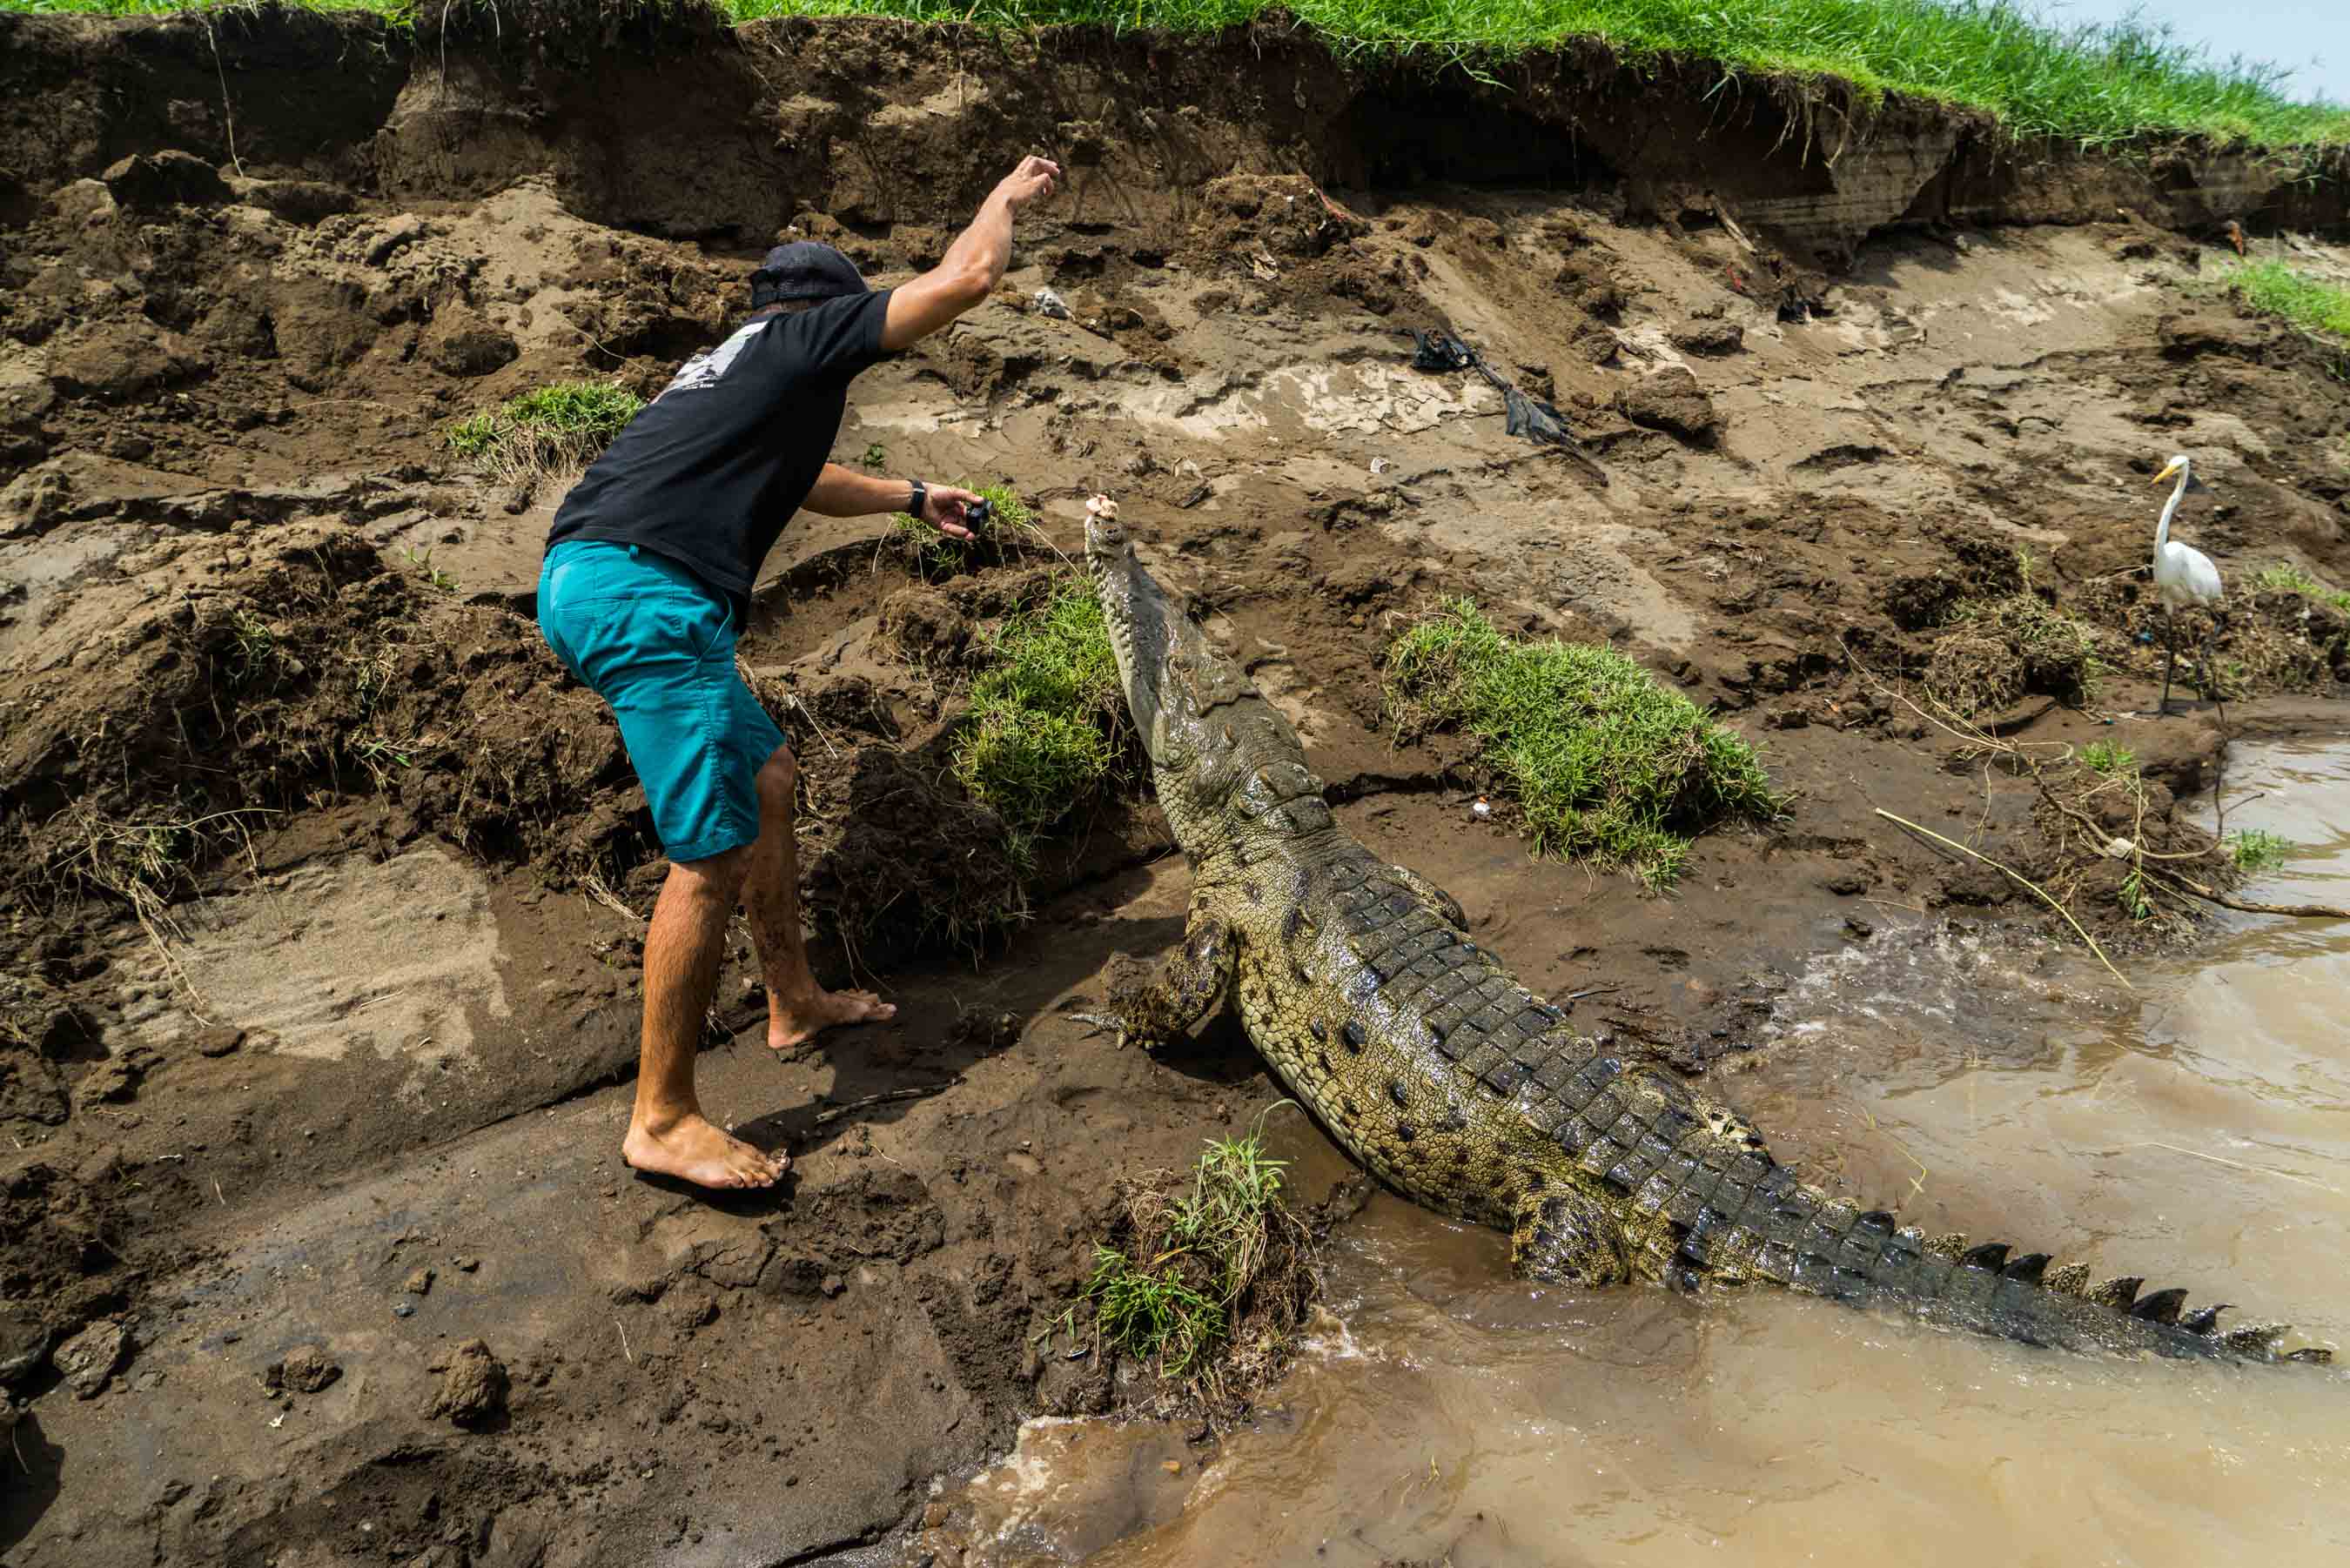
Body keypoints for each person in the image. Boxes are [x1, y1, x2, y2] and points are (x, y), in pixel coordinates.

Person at [535, 155, 1063, 1190]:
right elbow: (964, 282)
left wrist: (914, 495)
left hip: (599, 576)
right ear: (824, 313)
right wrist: (1001, 198)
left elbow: (807, 480)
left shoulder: (734, 368)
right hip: (647, 598)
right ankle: (663, 1115)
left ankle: (791, 1000)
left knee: (767, 777)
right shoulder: (802, 338)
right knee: (709, 852)